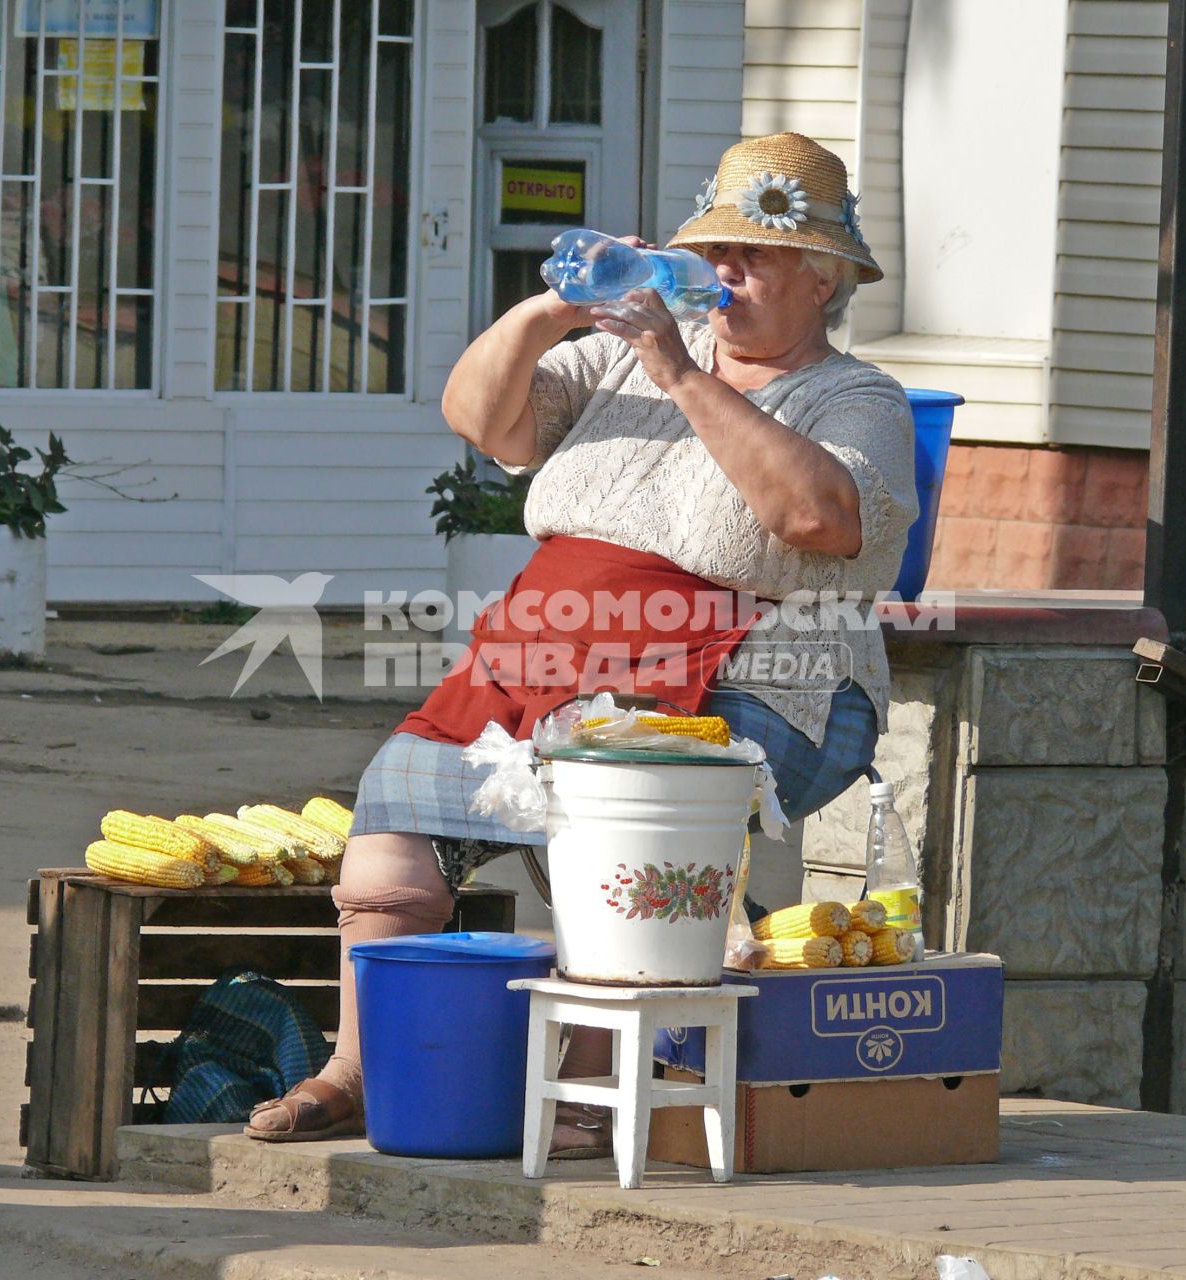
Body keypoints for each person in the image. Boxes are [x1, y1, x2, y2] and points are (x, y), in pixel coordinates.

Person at [244, 132, 918, 1148]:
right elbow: (484, 420)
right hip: (547, 648)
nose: (725, 273)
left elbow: (818, 519)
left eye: (755, 255)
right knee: (398, 800)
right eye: (715, 251)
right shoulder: (615, 358)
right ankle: (362, 1065)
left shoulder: (852, 396)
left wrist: (682, 372)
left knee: (618, 802)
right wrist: (549, 309)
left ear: (821, 278)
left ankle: (591, 1091)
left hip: (761, 666)